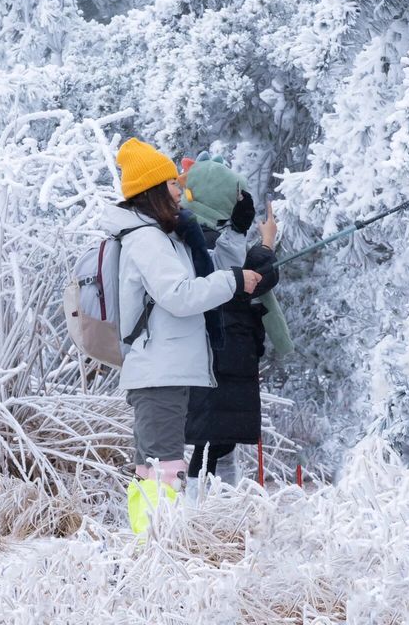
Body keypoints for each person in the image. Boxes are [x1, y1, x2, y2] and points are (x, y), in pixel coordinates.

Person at [100, 138, 262, 525]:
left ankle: (152, 549)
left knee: (155, 469)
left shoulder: (166, 237)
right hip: (158, 370)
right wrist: (234, 282)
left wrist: (237, 232)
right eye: (173, 183)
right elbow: (179, 295)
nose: (180, 190)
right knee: (162, 469)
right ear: (154, 191)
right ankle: (157, 555)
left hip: (165, 368)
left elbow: (209, 269)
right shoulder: (147, 239)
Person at [179, 153, 290, 488]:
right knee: (211, 444)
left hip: (225, 354)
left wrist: (249, 235)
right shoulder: (194, 240)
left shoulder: (199, 238)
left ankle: (222, 513)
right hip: (219, 354)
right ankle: (203, 517)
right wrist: (265, 242)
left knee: (218, 443)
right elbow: (242, 277)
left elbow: (244, 273)